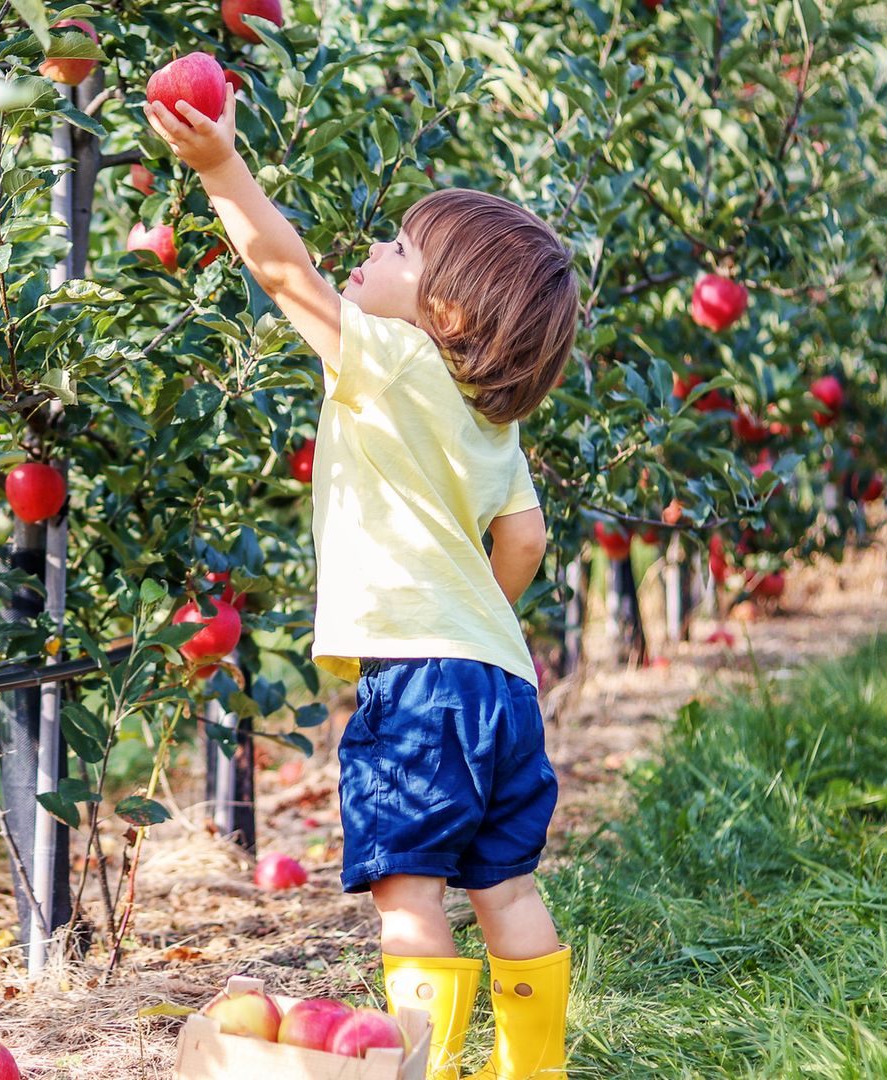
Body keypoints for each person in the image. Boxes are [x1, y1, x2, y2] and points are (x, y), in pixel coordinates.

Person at [147, 85, 579, 1080]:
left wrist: (219, 167)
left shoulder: (389, 359)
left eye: (400, 249)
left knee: (411, 894)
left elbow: (285, 272)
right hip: (499, 680)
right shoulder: (494, 423)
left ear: (448, 311)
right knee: (505, 886)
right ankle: (535, 1070)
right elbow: (525, 537)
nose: (376, 252)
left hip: (421, 684)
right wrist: (477, 622)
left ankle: (421, 1069)